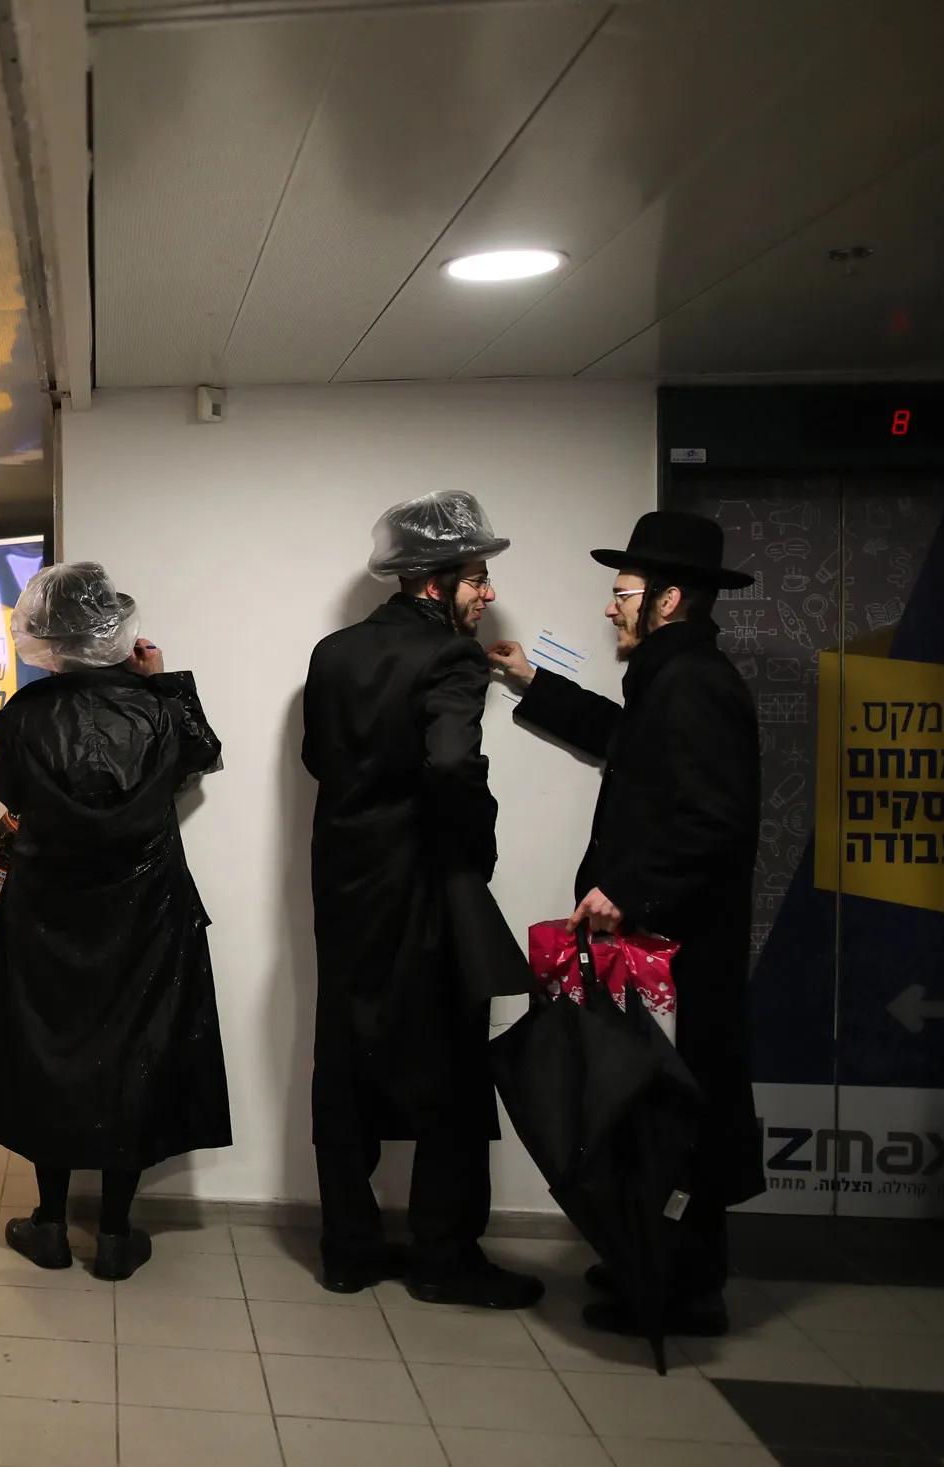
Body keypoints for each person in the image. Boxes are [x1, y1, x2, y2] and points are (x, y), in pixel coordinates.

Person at [488, 510, 763, 1337]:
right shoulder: (673, 679)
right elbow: (627, 742)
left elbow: (716, 820)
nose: (611, 608)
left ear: (669, 599)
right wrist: (535, 682)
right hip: (664, 948)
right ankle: (656, 1263)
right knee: (651, 1104)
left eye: (623, 594)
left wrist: (627, 890)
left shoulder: (696, 684)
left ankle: (689, 1288)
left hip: (682, 948)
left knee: (680, 1108)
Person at [301, 490, 543, 1309]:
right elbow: (451, 765)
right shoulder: (452, 659)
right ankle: (442, 1255)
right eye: (477, 577)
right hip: (422, 894)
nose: (485, 593)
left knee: (345, 1062)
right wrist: (474, 845)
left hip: (344, 890)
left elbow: (316, 758)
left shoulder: (332, 654)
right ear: (433, 582)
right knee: (447, 1068)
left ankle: (348, 1249)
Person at [0, 563, 230, 1281]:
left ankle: (49, 1224)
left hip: (46, 911)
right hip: (145, 913)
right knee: (135, 1058)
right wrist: (162, 681)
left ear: (47, 634)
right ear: (117, 628)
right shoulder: (156, 710)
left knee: (46, 1053)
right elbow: (204, 754)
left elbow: (7, 785)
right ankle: (114, 1233)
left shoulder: (24, 712)